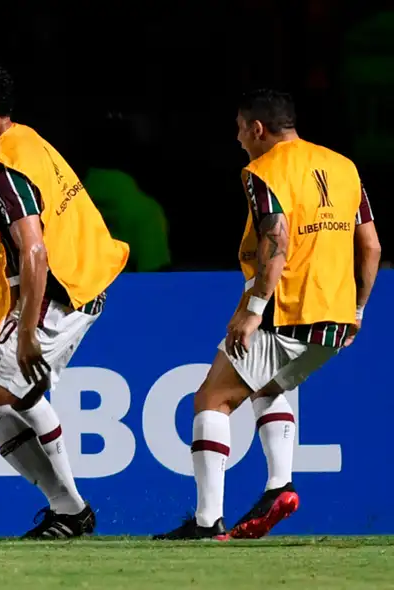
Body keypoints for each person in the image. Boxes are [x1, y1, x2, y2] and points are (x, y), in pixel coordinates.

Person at [154, 89, 382, 541]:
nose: (239, 139)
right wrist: (356, 310)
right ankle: (280, 485)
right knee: (267, 386)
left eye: (240, 128)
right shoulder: (344, 167)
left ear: (257, 128)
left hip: (287, 309)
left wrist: (253, 310)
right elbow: (371, 246)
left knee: (211, 400)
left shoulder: (263, 171)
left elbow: (275, 243)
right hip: (335, 318)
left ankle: (206, 523)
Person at [0, 57, 129, 538]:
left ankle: (69, 509)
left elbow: (33, 249)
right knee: (22, 391)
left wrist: (26, 330)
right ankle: (70, 510)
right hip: (85, 281)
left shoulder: (6, 165)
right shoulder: (27, 142)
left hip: (61, 291)